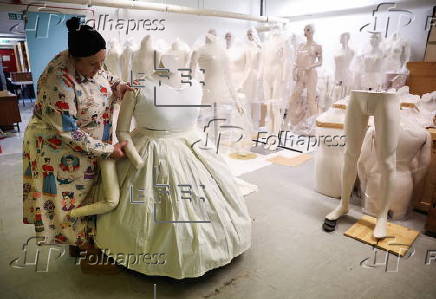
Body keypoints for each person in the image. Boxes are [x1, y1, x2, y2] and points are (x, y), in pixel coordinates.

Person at [22, 16, 132, 249]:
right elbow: (69, 131)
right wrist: (106, 149)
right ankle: (78, 243)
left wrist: (118, 85)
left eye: (101, 61)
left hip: (89, 143)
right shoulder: (59, 81)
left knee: (89, 192)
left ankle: (83, 238)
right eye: (93, 63)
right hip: (57, 148)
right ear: (74, 58)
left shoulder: (93, 61)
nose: (98, 67)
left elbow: (106, 76)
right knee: (67, 195)